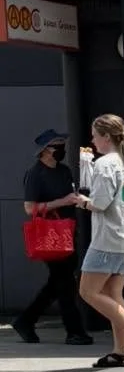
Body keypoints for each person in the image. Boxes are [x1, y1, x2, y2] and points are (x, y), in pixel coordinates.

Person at [12, 128, 90, 346]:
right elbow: (30, 208)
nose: (61, 148)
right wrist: (62, 202)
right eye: (57, 145)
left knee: (58, 282)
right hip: (50, 234)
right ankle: (74, 331)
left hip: (67, 231)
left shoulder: (64, 171)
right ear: (45, 151)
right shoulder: (36, 174)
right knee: (64, 283)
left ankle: (26, 320)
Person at [76, 114, 124, 369]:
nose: (92, 140)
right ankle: (120, 351)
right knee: (113, 292)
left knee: (88, 291)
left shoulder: (104, 164)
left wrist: (83, 201)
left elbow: (99, 203)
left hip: (106, 238)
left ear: (106, 137)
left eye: (95, 135)